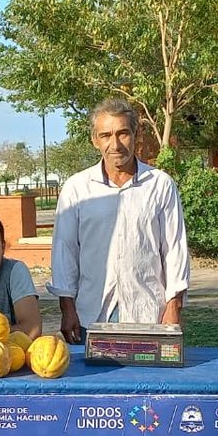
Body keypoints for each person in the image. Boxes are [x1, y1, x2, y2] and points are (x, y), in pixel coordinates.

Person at [48, 98, 191, 343]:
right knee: (95, 380)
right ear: (95, 140)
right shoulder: (77, 189)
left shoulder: (160, 185)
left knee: (149, 380)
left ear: (137, 135)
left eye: (123, 133)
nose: (115, 144)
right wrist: (67, 308)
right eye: (105, 135)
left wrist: (174, 307)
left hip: (149, 314)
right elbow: (65, 251)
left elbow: (174, 249)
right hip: (91, 315)